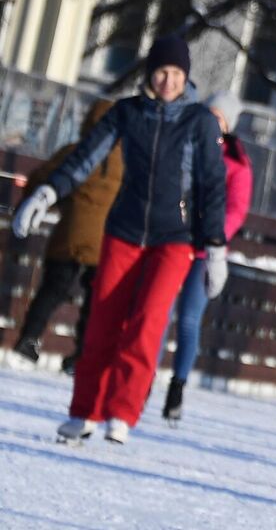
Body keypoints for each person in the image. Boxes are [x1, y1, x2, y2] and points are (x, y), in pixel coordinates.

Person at [11, 36, 228, 445]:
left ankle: (122, 413)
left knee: (147, 323)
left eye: (177, 74)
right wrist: (48, 192)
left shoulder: (198, 121)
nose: (168, 81)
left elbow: (212, 183)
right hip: (124, 230)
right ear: (149, 73)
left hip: (174, 237)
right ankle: (84, 412)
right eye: (162, 72)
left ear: (186, 77)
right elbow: (86, 156)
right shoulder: (128, 113)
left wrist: (215, 245)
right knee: (101, 322)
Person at [161, 91, 253, 424]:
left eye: (220, 118)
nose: (212, 123)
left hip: (205, 251)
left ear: (228, 125)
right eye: (208, 114)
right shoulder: (186, 147)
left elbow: (236, 210)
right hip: (173, 241)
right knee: (160, 312)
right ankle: (141, 382)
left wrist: (215, 238)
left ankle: (177, 386)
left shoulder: (236, 164)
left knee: (187, 319)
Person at [9, 99, 120, 369]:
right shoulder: (125, 161)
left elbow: (42, 178)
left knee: (53, 289)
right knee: (95, 299)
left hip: (69, 235)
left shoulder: (75, 151)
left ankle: (30, 339)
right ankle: (81, 352)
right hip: (104, 242)